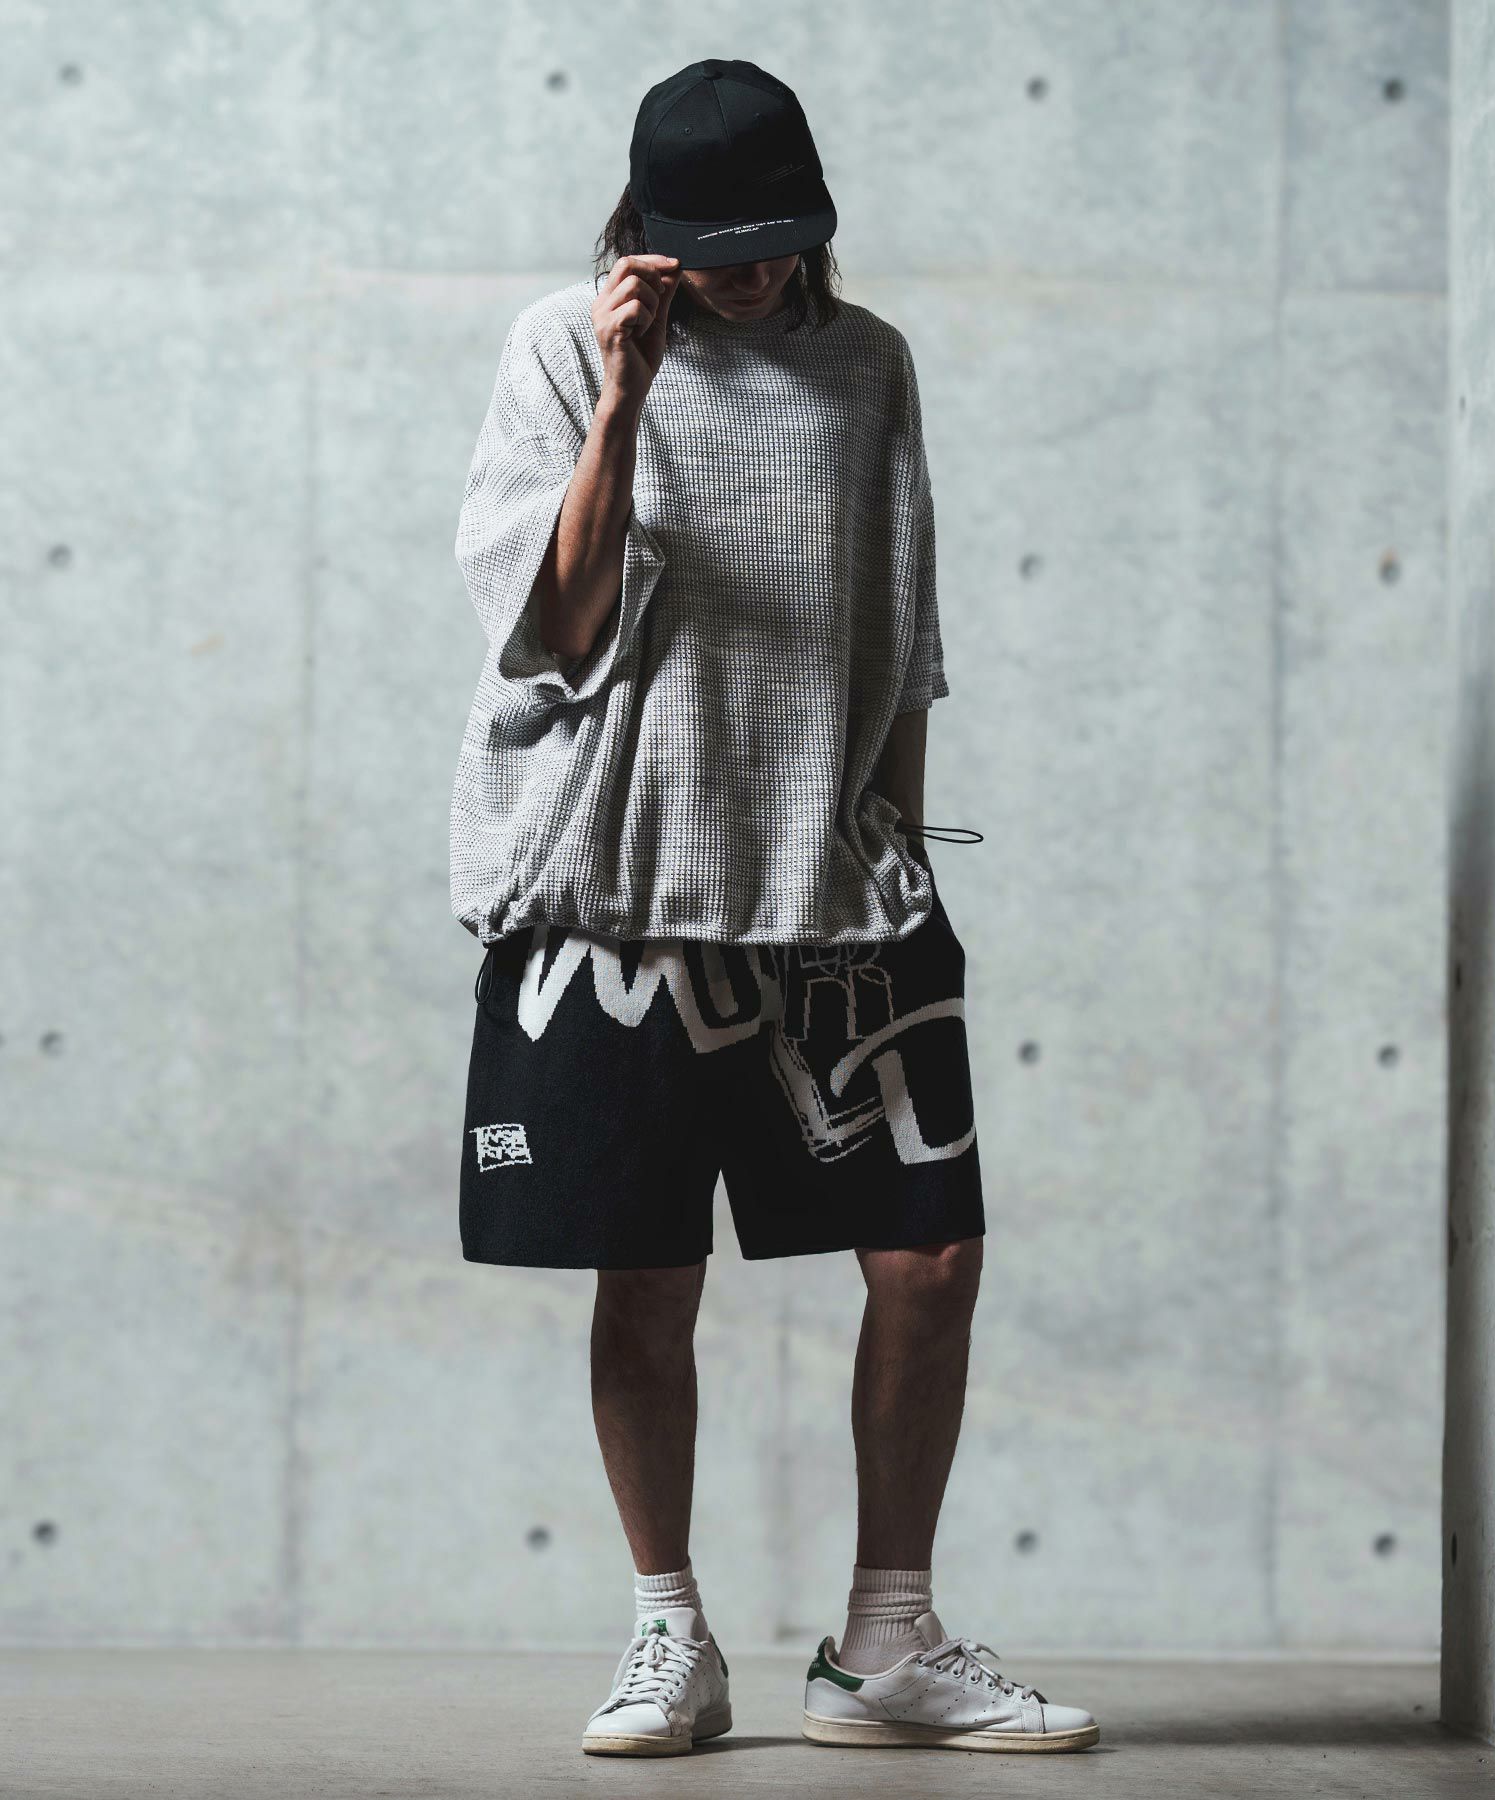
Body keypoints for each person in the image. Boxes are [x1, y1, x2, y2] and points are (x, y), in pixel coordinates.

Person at [449, 56, 1100, 1758]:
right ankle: (670, 1632)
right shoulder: (561, 349)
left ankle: (885, 1644)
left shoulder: (868, 364)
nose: (749, 278)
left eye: (776, 244)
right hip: (623, 894)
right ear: (645, 235)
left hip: (832, 885)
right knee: (649, 1276)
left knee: (932, 1257)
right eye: (713, 251)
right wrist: (624, 402)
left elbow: (902, 630)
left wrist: (905, 848)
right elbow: (558, 630)